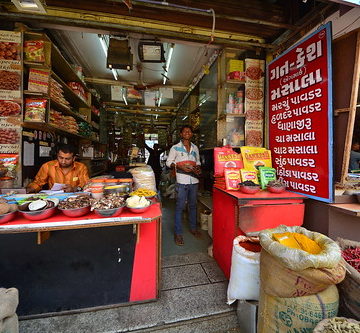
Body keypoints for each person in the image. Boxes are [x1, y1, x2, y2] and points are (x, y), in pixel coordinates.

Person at [166, 125, 201, 246]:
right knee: (180, 207)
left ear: (192, 134)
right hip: (181, 180)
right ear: (181, 134)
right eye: (185, 131)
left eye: (189, 131)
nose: (187, 133)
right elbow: (168, 162)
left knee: (193, 206)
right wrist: (179, 166)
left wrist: (197, 168)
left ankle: (193, 228)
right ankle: (178, 233)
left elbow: (198, 162)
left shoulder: (195, 148)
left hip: (194, 181)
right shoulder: (175, 148)